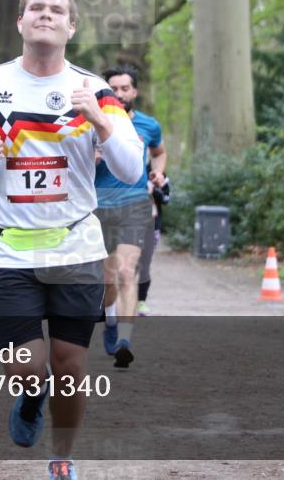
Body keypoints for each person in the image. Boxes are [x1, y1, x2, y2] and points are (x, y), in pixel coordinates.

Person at [0, 0, 142, 480]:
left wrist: (100, 121)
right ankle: (31, 395)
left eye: (57, 10)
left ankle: (62, 461)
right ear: (21, 21)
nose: (46, 15)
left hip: (75, 246)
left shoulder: (94, 90)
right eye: (36, 7)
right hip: (9, 251)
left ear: (71, 26)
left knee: (71, 366)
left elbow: (130, 169)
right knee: (26, 366)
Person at [94, 65, 166, 367]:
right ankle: (110, 323)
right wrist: (92, 158)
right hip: (97, 207)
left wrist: (158, 172)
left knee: (126, 271)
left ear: (134, 91)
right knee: (107, 278)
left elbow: (159, 151)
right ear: (106, 91)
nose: (120, 94)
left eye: (125, 88)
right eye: (115, 89)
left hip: (135, 205)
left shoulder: (149, 125)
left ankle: (124, 338)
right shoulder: (90, 122)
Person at [136, 165, 171, 316]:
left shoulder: (160, 174)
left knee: (144, 265)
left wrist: (155, 188)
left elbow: (166, 199)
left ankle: (141, 301)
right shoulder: (134, 168)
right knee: (128, 265)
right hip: (132, 225)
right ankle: (124, 300)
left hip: (152, 229)